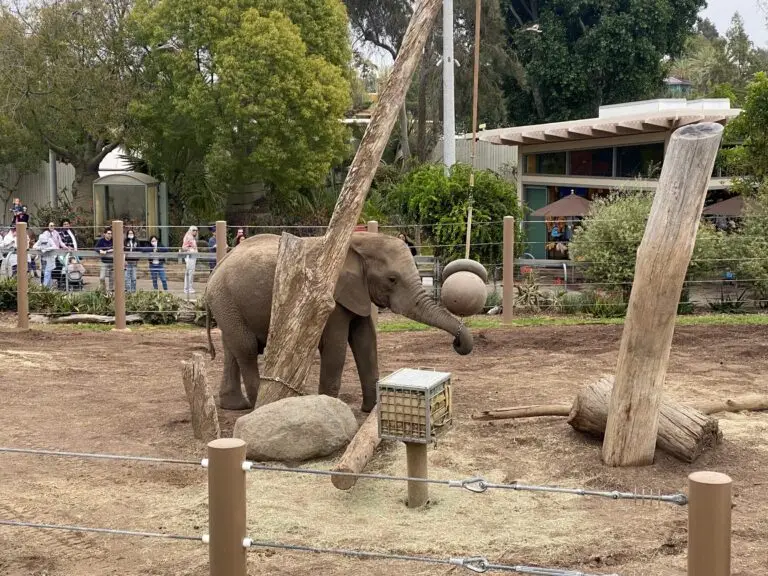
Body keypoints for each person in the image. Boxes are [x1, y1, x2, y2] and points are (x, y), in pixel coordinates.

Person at [35, 221, 64, 288]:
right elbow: (37, 244)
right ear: (48, 226)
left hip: (54, 254)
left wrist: (66, 247)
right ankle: (44, 285)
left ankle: (49, 286)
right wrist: (42, 248)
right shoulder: (45, 234)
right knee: (45, 271)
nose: (52, 226)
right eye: (50, 225)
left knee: (52, 270)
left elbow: (60, 243)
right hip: (45, 256)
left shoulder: (56, 233)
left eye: (53, 225)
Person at [94, 227, 114, 292]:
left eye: (111, 234)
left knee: (112, 277)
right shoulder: (101, 240)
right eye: (108, 233)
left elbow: (116, 248)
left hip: (112, 261)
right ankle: (103, 290)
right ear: (104, 234)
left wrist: (106, 251)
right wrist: (100, 251)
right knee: (102, 277)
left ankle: (110, 290)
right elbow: (95, 248)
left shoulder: (114, 240)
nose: (110, 235)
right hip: (104, 261)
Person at [180, 225, 199, 294]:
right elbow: (184, 247)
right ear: (190, 230)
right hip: (189, 256)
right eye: (193, 230)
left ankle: (190, 287)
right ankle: (187, 288)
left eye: (196, 230)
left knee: (191, 272)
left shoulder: (192, 238)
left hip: (193, 256)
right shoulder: (188, 237)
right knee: (189, 272)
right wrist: (191, 250)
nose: (195, 232)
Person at [124, 228, 139, 293]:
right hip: (127, 262)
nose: (130, 234)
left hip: (134, 262)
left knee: (134, 277)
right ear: (127, 234)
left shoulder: (136, 241)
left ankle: (133, 290)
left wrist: (137, 260)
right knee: (127, 278)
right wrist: (124, 260)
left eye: (131, 233)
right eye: (129, 233)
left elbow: (139, 250)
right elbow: (123, 251)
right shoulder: (125, 241)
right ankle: (128, 291)